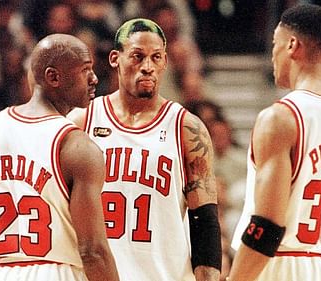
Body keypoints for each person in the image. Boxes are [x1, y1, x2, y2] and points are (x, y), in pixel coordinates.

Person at [68, 18, 222, 281]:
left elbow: (205, 222)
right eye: (138, 57)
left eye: (156, 57)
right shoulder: (82, 121)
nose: (147, 67)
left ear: (165, 62)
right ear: (115, 58)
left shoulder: (186, 127)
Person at [227, 4, 321, 281]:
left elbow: (266, 228)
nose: (273, 54)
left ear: (292, 45)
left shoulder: (280, 118)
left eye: (275, 44)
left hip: (283, 267)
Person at [0, 33, 120, 281]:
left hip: (1, 274)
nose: (94, 78)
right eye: (85, 70)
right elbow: (93, 252)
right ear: (53, 77)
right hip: (58, 272)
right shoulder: (75, 145)